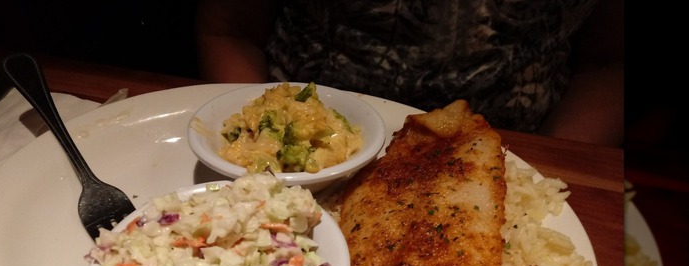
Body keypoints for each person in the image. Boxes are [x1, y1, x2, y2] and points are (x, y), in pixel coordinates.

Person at [196, 0, 623, 147]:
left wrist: (550, 168)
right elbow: (229, 29)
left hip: (524, 134)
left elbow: (608, 61)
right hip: (297, 112)